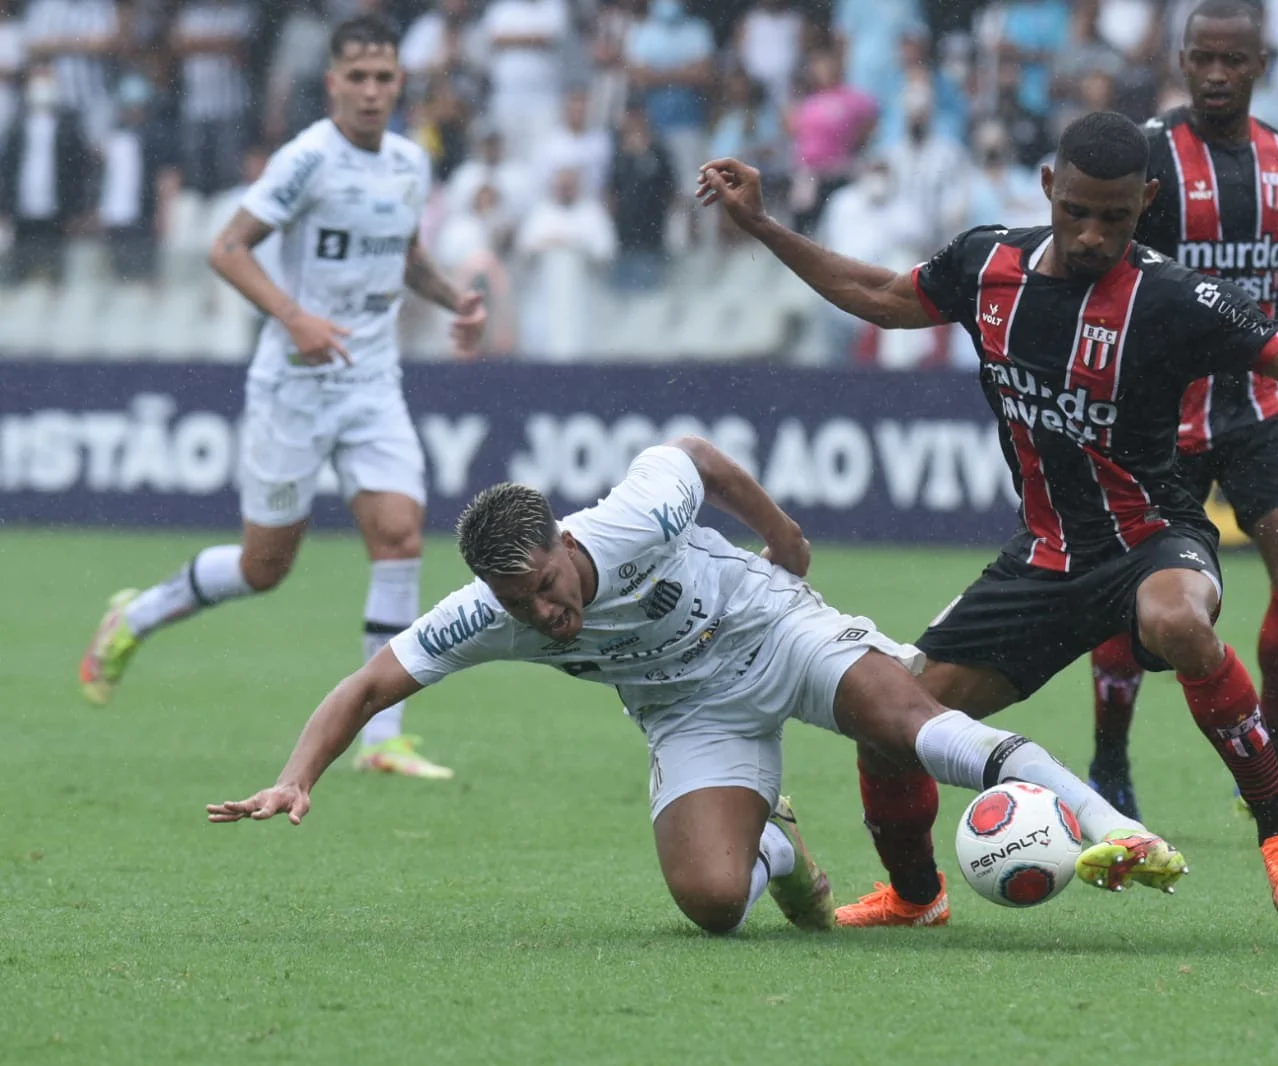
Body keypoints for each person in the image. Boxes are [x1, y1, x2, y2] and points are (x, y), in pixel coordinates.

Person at [697, 113, 1278, 925]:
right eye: (1077, 212)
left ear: (1146, 203)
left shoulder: (1176, 296)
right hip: (1045, 558)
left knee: (1174, 617)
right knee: (890, 721)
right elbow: (879, 295)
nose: (1094, 234)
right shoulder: (985, 264)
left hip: (1151, 539)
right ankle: (914, 897)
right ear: (1047, 186)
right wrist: (765, 224)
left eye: (1116, 216)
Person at [206, 437, 1190, 935]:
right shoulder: (486, 611)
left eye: (546, 587)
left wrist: (785, 531)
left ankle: (1115, 829)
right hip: (690, 713)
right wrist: (298, 775)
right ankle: (777, 841)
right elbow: (368, 684)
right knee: (715, 903)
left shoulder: (635, 513)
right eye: (521, 604)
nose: (545, 615)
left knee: (915, 721)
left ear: (562, 540)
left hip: (774, 630)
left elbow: (699, 455)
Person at [78, 17, 487, 781]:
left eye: (384, 78)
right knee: (266, 567)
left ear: (400, 83)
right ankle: (134, 616)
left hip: (370, 381)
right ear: (333, 83)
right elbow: (226, 248)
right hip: (293, 387)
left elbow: (403, 254)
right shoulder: (306, 160)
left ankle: (382, 740)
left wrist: (453, 297)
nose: (371, 91)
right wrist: (294, 317)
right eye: (356, 78)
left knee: (399, 536)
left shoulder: (406, 163)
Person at [1087, 0, 1278, 843]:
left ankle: (1267, 769)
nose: (1214, 74)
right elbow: (1097, 262)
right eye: (1201, 58)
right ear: (1180, 59)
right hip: (1153, 410)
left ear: (1259, 64)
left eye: (1231, 61)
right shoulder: (1143, 156)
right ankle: (1109, 763)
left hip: (1257, 401)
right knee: (1132, 591)